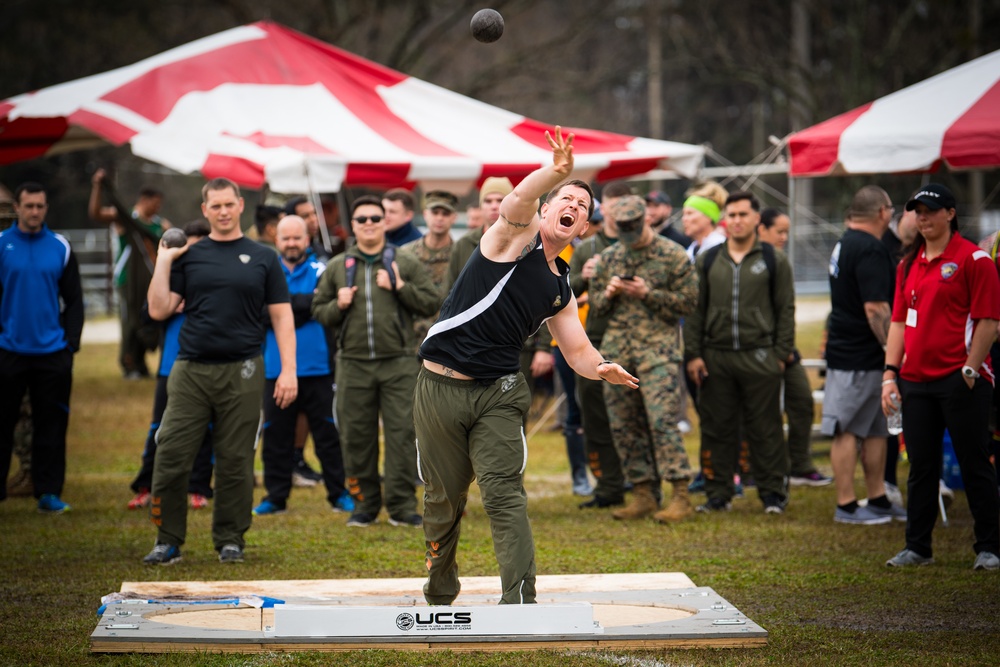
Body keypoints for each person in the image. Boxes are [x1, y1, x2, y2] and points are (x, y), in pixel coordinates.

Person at [414, 127, 639, 606]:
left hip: (497, 392)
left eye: (583, 208)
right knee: (443, 499)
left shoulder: (560, 285)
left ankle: (519, 600)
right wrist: (555, 173)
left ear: (583, 229)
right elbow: (515, 200)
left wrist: (602, 369)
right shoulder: (509, 242)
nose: (575, 206)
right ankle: (439, 588)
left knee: (503, 494)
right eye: (566, 199)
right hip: (440, 386)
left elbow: (576, 350)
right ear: (545, 209)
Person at [142, 177, 297, 565]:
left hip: (243, 372)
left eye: (230, 204)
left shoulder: (263, 257)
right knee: (171, 454)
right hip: (191, 370)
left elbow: (282, 315)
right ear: (205, 210)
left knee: (236, 460)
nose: (224, 212)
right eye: (216, 206)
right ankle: (168, 539)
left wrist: (288, 370)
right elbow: (159, 309)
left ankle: (230, 539)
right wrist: (163, 259)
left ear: (240, 205)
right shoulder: (190, 257)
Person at [883, 184, 1000, 570]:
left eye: (930, 210)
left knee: (974, 461)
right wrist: (890, 374)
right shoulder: (907, 264)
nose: (923, 218)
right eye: (917, 211)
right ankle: (918, 547)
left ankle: (989, 546)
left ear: (950, 213)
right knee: (921, 467)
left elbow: (989, 322)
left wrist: (969, 369)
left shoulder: (974, 259)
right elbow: (898, 322)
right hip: (915, 381)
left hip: (960, 378)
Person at [311, 196, 442, 528]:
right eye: (361, 219)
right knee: (356, 435)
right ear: (353, 226)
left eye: (375, 218)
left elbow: (430, 302)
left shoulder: (404, 261)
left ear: (385, 222)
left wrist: (399, 286)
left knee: (401, 434)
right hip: (353, 363)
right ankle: (364, 505)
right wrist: (337, 305)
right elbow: (318, 311)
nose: (369, 223)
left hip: (398, 362)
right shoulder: (339, 266)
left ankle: (400, 506)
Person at [589, 195, 699, 522]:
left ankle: (680, 493)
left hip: (658, 351)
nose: (628, 236)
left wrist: (647, 294)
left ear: (645, 220)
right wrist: (607, 293)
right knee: (624, 423)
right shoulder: (609, 257)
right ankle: (643, 493)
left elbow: (688, 303)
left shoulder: (673, 256)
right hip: (619, 351)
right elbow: (595, 306)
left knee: (663, 420)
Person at [684, 191, 794, 514]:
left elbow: (785, 309)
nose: (736, 221)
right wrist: (693, 354)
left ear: (757, 219)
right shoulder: (708, 259)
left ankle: (773, 493)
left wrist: (780, 354)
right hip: (716, 356)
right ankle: (718, 494)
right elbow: (695, 310)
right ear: (724, 220)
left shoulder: (773, 259)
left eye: (743, 214)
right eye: (731, 215)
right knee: (717, 427)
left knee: (766, 427)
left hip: (760, 355)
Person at [253, 215, 352, 516]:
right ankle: (276, 496)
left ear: (307, 240)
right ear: (276, 240)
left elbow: (324, 303)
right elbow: (258, 311)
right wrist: (303, 305)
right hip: (277, 369)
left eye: (297, 237)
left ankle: (338, 494)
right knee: (276, 436)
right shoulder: (267, 270)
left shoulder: (322, 269)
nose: (292, 243)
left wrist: (281, 308)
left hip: (318, 369)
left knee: (328, 437)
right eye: (286, 238)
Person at [0, 182, 84, 513]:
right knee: (1, 422)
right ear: (17, 208)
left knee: (51, 424)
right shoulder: (2, 245)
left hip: (52, 354)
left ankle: (48, 492)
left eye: (40, 206)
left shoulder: (60, 248)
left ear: (46, 208)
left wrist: (70, 346)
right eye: (28, 206)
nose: (34, 212)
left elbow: (75, 301)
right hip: (9, 351)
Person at [823, 186, 902, 525]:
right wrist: (893, 352)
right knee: (846, 429)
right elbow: (875, 309)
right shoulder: (869, 248)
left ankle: (878, 499)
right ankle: (847, 505)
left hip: (862, 355)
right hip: (855, 355)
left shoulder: (846, 241)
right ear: (883, 212)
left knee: (875, 429)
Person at [127, 220, 215, 512]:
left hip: (208, 364)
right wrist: (170, 306)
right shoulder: (171, 274)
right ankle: (146, 486)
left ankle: (199, 488)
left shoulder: (217, 275)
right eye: (190, 246)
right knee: (160, 428)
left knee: (205, 429)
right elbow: (147, 315)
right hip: (171, 367)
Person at [569, 180, 633, 509]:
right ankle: (609, 485)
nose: (617, 211)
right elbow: (565, 288)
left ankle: (642, 481)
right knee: (595, 417)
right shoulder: (588, 248)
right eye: (611, 204)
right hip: (595, 340)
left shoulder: (641, 244)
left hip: (637, 341)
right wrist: (583, 276)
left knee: (636, 416)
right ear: (602, 208)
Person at [758, 208, 831, 487]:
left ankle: (799, 464)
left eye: (787, 232)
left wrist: (785, 348)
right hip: (758, 351)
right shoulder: (747, 260)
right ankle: (767, 469)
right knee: (764, 414)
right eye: (779, 231)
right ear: (761, 229)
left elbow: (786, 310)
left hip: (785, 350)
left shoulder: (779, 261)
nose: (784, 238)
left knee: (801, 401)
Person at [89, 169, 169, 379]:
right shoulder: (125, 219)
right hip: (128, 279)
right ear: (145, 200)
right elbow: (96, 213)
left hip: (151, 280)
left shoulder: (159, 225)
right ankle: (129, 364)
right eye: (156, 203)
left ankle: (142, 365)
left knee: (147, 320)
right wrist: (98, 187)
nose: (158, 207)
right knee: (130, 322)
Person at [401, 191, 458, 347]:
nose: (439, 218)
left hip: (447, 340)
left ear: (454, 217)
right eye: (435, 212)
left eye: (445, 213)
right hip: (410, 340)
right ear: (425, 214)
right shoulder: (406, 254)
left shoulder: (460, 255)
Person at [681, 182, 727, 263]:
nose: (684, 219)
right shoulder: (691, 250)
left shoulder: (722, 249)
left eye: (690, 213)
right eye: (683, 214)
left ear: (708, 217)